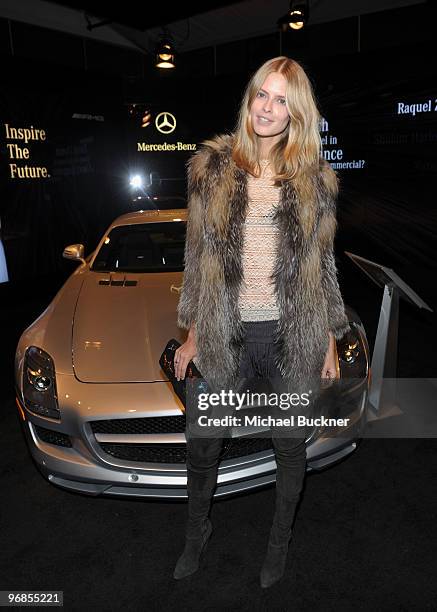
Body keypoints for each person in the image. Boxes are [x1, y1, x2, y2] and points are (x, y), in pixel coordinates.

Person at [172, 56, 350, 588]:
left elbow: (323, 265)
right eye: (261, 96)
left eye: (281, 101)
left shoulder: (315, 179)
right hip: (225, 331)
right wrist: (193, 332)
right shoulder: (211, 168)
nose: (267, 109)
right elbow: (197, 255)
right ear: (249, 99)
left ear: (297, 113)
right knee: (203, 444)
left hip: (290, 334)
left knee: (289, 448)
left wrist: (330, 343)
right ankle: (194, 534)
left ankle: (278, 544)